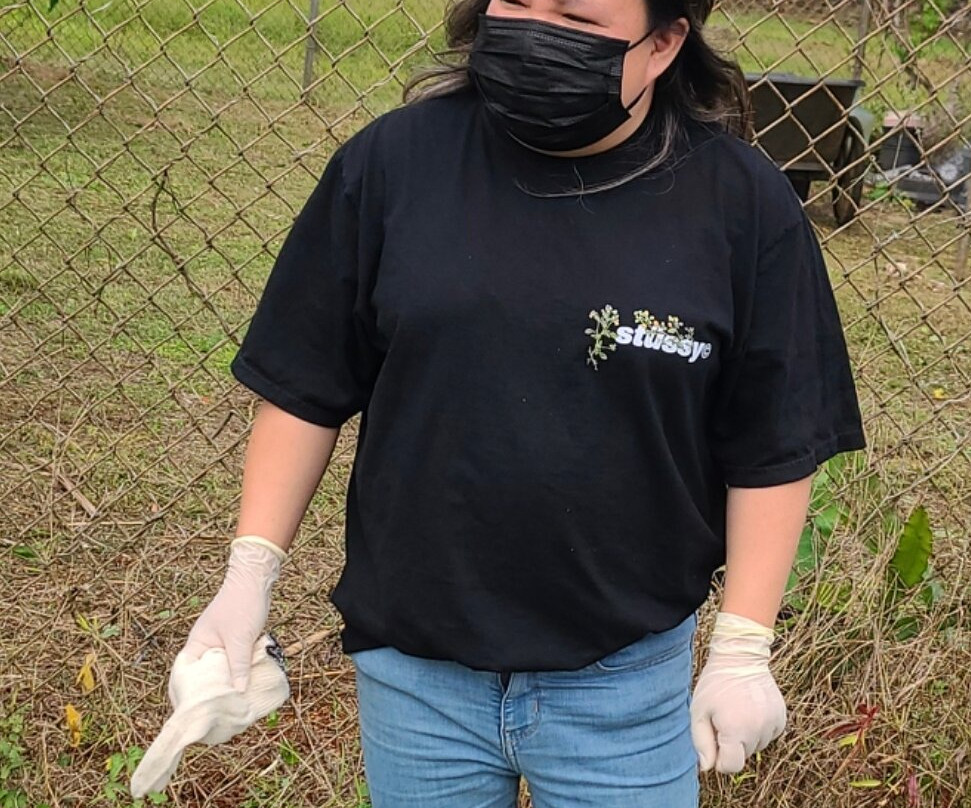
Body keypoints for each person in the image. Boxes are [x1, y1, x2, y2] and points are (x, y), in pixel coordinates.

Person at [176, 0, 866, 805]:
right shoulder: (393, 164)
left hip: (625, 685)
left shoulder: (742, 207)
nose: (536, 31)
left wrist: (743, 649)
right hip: (414, 676)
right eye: (518, 3)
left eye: (575, 15)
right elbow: (305, 388)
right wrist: (247, 578)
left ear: (666, 42)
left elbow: (773, 443)